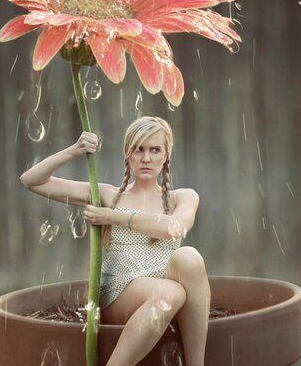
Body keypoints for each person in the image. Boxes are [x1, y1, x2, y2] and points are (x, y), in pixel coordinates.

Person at [19, 116, 210, 366]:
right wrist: (75, 150)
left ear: (166, 156)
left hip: (166, 288)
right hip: (121, 290)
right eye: (138, 149)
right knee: (170, 292)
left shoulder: (181, 197)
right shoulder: (108, 195)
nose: (146, 158)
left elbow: (176, 227)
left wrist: (113, 217)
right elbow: (31, 181)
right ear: (127, 154)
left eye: (155, 150)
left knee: (189, 258)